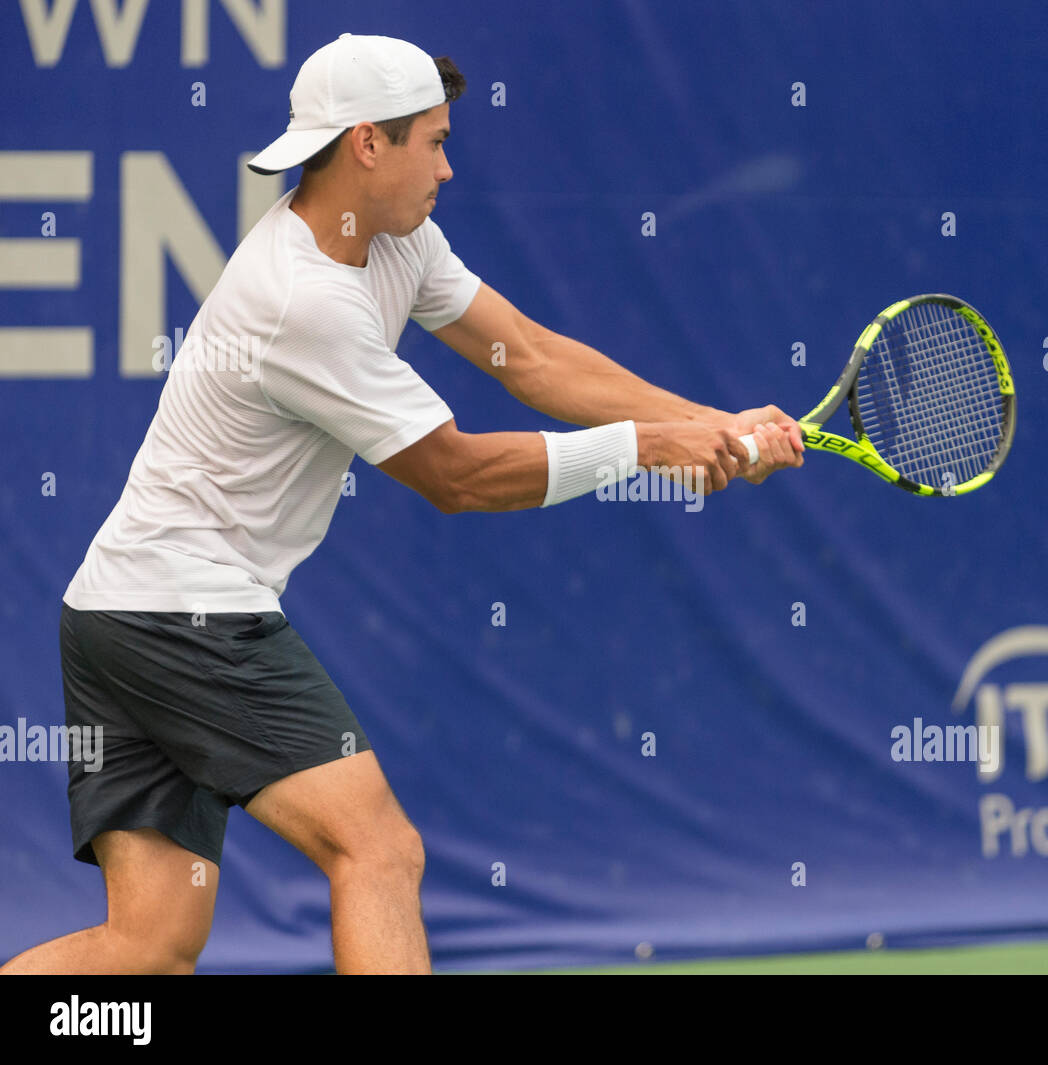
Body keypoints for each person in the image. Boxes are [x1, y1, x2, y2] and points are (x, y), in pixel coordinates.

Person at [0, 33, 802, 976]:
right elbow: (454, 476)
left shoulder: (397, 240)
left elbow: (530, 356)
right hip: (183, 612)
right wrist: (646, 448)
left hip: (112, 613)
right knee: (377, 850)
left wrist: (712, 424)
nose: (449, 167)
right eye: (435, 141)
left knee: (149, 944)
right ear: (367, 144)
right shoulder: (302, 300)